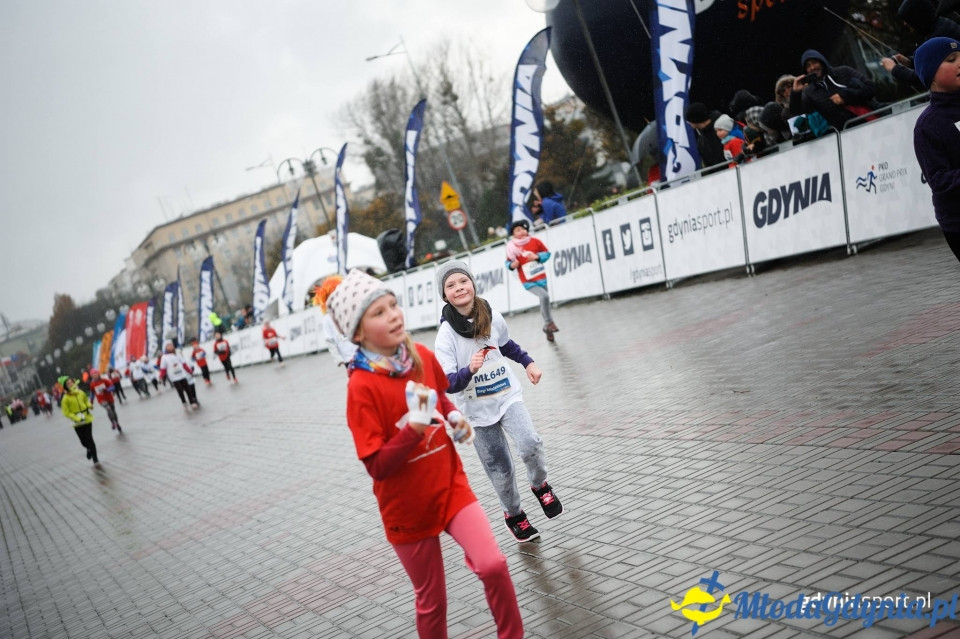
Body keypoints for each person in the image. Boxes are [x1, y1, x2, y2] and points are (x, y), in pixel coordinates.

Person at [327, 269, 523, 639]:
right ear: (357, 333)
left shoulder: (418, 355)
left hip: (451, 488)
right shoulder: (361, 388)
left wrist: (452, 416)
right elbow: (378, 467)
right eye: (379, 313)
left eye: (393, 305)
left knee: (494, 564)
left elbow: (440, 392)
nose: (395, 315)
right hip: (406, 509)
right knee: (432, 600)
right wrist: (414, 428)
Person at [434, 260, 564, 544]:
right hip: (476, 412)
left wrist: (528, 363)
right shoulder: (445, 336)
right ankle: (514, 515)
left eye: (463, 281)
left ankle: (539, 485)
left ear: (472, 283)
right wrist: (469, 369)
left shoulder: (490, 315)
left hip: (506, 396)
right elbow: (447, 383)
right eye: (451, 286)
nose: (459, 288)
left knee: (530, 442)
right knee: (501, 470)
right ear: (444, 295)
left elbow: (508, 346)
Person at [913, 37, 960, 261]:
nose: (959, 63)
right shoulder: (927, 126)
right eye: (951, 60)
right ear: (931, 75)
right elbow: (939, 180)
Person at [789, 49, 879, 130]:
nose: (812, 67)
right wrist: (795, 93)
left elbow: (871, 88)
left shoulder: (844, 71)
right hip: (846, 136)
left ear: (822, 61)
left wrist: (845, 96)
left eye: (815, 62)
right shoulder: (809, 91)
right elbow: (797, 112)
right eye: (808, 66)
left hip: (872, 123)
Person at [505, 218, 559, 342]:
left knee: (544, 301)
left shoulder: (535, 241)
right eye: (518, 230)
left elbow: (547, 254)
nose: (521, 232)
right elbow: (507, 262)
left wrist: (537, 256)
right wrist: (512, 265)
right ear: (513, 233)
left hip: (541, 277)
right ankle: (549, 322)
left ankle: (548, 329)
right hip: (528, 281)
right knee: (544, 297)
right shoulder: (511, 247)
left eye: (523, 229)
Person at [313, 275, 358, 369]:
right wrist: (338, 358)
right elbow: (330, 340)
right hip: (348, 358)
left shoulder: (349, 309)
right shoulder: (327, 319)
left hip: (362, 352)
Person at [59, 376, 102, 469]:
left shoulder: (81, 393)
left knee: (90, 438)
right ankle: (88, 449)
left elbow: (86, 402)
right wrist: (76, 418)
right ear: (65, 386)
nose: (70, 384)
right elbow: (66, 412)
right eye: (68, 384)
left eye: (71, 382)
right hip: (77, 421)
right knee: (83, 440)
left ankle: (95, 459)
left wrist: (90, 405)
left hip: (86, 418)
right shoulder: (65, 398)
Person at [684, 102, 727, 172]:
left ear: (695, 120)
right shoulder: (701, 140)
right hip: (718, 177)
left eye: (689, 122)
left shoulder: (724, 126)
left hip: (733, 170)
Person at [159, 341, 200, 410]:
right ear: (166, 348)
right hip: (174, 377)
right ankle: (184, 402)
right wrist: (161, 377)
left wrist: (190, 371)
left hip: (182, 375)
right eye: (168, 346)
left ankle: (192, 402)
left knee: (187, 389)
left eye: (171, 345)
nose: (170, 346)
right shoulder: (164, 357)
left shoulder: (177, 354)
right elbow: (163, 369)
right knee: (180, 390)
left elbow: (184, 364)